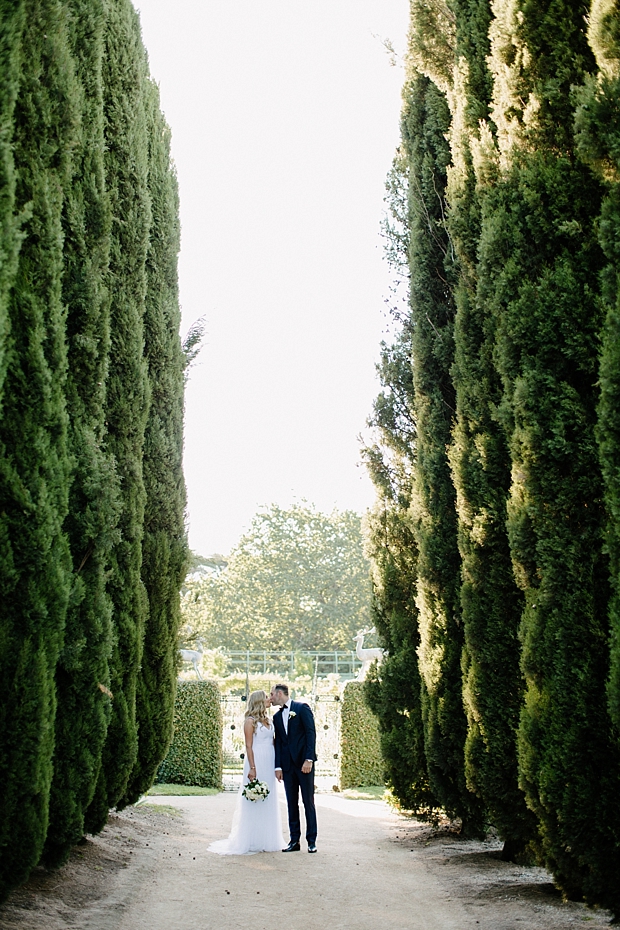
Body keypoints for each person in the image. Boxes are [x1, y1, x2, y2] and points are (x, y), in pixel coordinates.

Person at [208, 690, 283, 855]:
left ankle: (267, 838)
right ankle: (251, 839)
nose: (270, 699)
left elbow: (274, 742)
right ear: (258, 701)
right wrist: (252, 767)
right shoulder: (250, 721)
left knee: (268, 797)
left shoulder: (270, 720)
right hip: (256, 760)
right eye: (266, 697)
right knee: (253, 798)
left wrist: (278, 766)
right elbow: (249, 745)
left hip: (269, 760)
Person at [270, 683, 318, 853]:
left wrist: (309, 759)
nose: (270, 698)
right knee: (291, 803)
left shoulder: (301, 708)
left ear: (280, 694)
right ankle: (294, 841)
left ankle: (311, 841)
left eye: (272, 694)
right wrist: (278, 766)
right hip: (288, 767)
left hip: (304, 764)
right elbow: (279, 743)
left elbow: (311, 733)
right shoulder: (276, 717)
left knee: (308, 802)